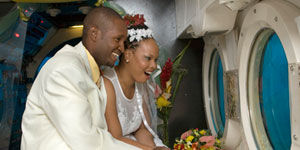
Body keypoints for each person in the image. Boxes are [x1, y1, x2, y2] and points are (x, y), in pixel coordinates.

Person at [21, 7, 140, 150]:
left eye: (124, 41)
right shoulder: (65, 69)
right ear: (94, 34)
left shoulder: (92, 73)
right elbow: (86, 142)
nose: (122, 48)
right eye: (117, 39)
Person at [103, 14, 169, 150]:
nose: (154, 66)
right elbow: (115, 138)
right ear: (128, 55)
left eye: (155, 60)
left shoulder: (141, 84)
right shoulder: (108, 84)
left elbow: (142, 128)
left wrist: (153, 147)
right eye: (148, 58)